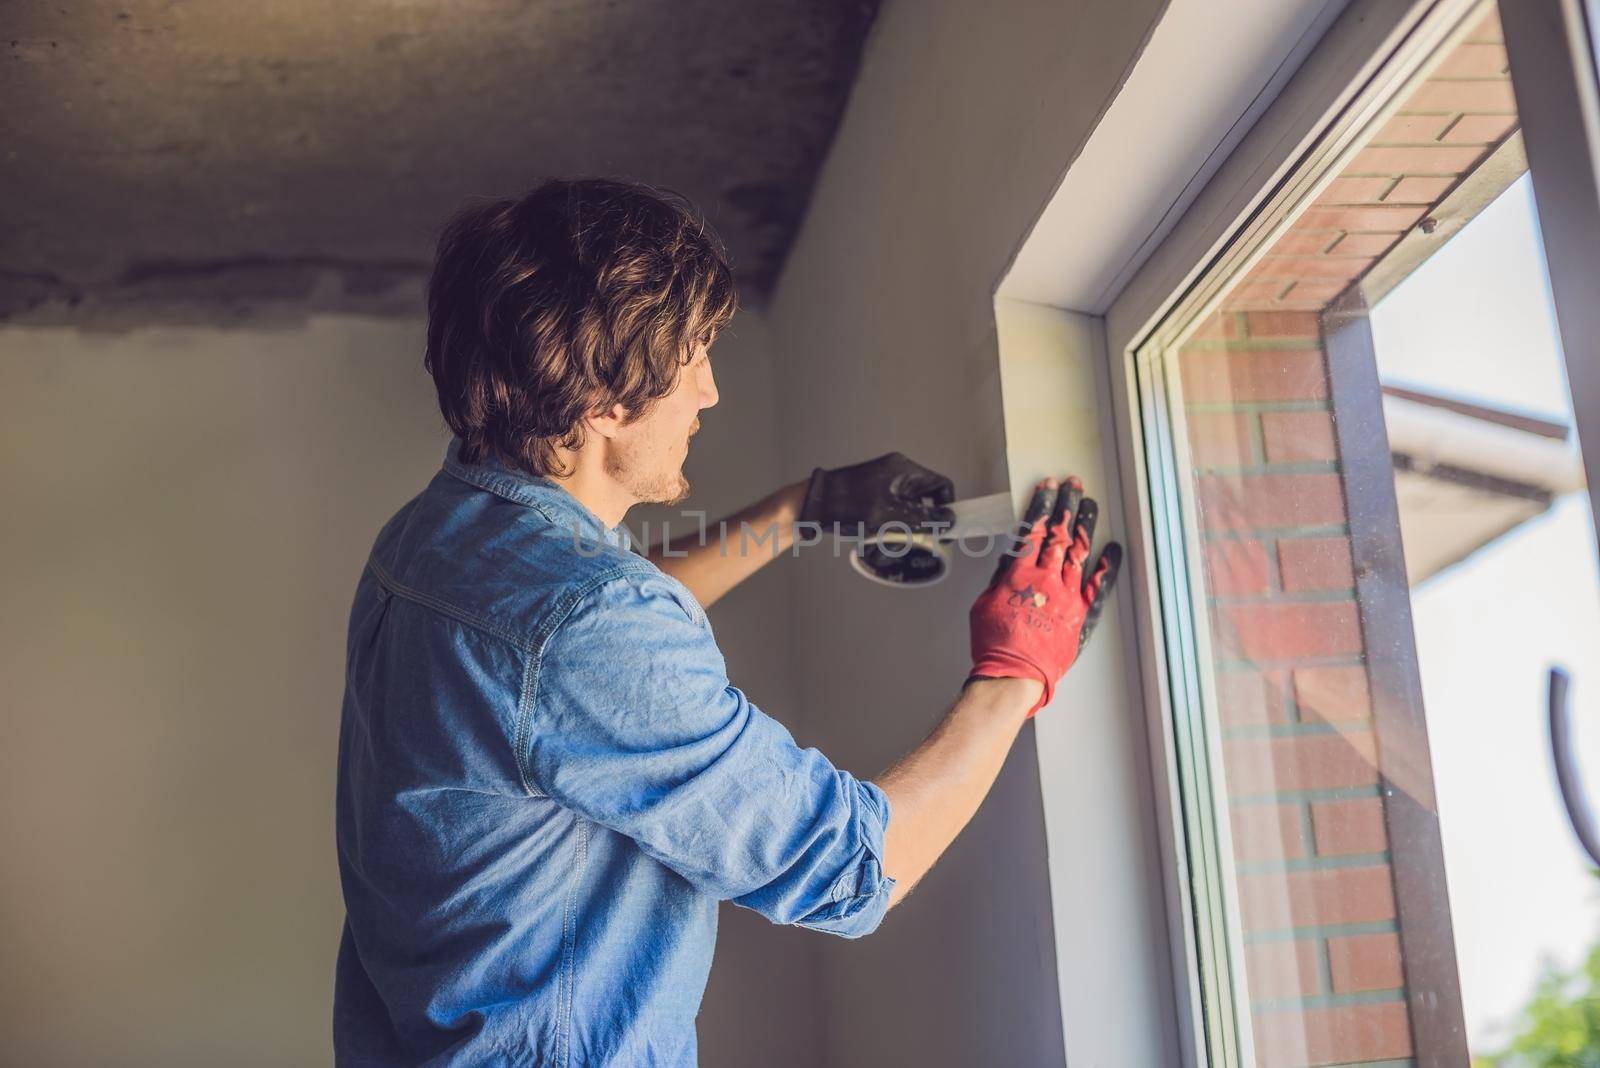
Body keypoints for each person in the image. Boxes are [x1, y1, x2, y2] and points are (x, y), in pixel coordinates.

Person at [333, 177, 1120, 1066]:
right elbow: (855, 869)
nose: (708, 391)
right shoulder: (588, 628)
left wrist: (801, 510)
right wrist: (1017, 671)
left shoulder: (437, 533)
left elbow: (567, 653)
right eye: (693, 356)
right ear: (603, 399)